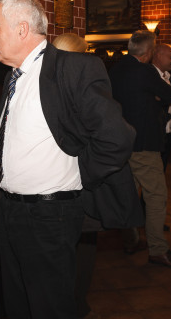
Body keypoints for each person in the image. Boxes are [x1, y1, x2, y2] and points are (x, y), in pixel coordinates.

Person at [0, 0, 142, 318]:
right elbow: (1, 135)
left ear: (21, 29)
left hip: (50, 216)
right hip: (11, 212)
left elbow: (117, 137)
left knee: (50, 308)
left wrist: (79, 176)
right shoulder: (14, 75)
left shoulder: (72, 68)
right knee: (17, 306)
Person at [109, 31, 171, 268]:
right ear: (149, 52)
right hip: (144, 143)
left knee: (129, 194)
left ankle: (131, 240)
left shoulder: (116, 69)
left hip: (123, 142)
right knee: (156, 196)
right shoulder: (144, 71)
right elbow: (169, 95)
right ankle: (158, 250)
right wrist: (156, 97)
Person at [53, 33, 99, 319]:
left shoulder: (49, 87)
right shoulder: (84, 88)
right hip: (75, 185)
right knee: (80, 249)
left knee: (72, 251)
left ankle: (74, 304)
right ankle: (76, 304)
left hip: (66, 185)